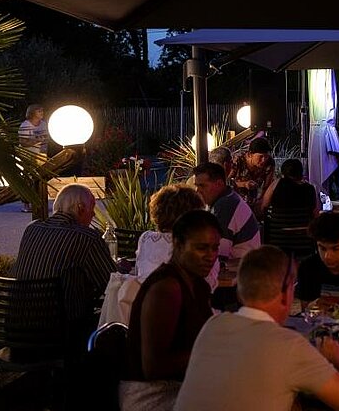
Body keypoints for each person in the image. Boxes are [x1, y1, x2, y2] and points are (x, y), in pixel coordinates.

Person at [169, 246, 339, 411]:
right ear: (286, 294)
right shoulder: (289, 346)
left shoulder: (213, 326)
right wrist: (337, 362)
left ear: (241, 293)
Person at [120, 210, 220, 411]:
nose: (211, 256)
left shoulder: (196, 283)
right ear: (178, 244)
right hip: (151, 394)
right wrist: (213, 352)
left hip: (183, 384)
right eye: (201, 248)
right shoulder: (167, 289)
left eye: (215, 248)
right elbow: (154, 366)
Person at [12, 183, 115, 322]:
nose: (93, 214)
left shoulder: (32, 228)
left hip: (18, 325)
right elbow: (111, 284)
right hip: (62, 330)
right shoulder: (86, 237)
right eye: (92, 208)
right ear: (80, 208)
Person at [135, 183, 216, 284]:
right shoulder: (196, 246)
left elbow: (139, 272)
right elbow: (209, 284)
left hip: (148, 297)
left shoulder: (146, 239)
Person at [193, 162, 261, 264]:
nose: (197, 191)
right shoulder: (227, 198)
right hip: (244, 266)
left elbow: (217, 253)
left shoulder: (225, 206)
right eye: (197, 186)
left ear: (219, 184)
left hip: (242, 270)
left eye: (202, 186)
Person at [232, 137, 276, 214]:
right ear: (250, 154)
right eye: (261, 156)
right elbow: (226, 183)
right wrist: (244, 184)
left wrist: (262, 201)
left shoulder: (269, 163)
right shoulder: (237, 161)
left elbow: (267, 186)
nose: (264, 160)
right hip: (236, 203)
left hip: (256, 202)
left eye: (266, 156)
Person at [18, 104, 48, 212]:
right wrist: (37, 140)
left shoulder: (43, 124)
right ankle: (26, 204)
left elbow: (46, 137)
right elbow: (22, 142)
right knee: (28, 179)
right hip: (28, 155)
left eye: (42, 111)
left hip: (42, 154)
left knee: (42, 179)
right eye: (39, 111)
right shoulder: (25, 126)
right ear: (32, 113)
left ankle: (40, 202)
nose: (42, 113)